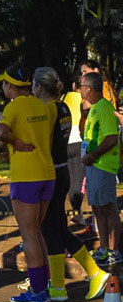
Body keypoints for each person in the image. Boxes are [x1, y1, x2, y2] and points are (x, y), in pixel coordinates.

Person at [32, 67, 110, 301]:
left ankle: (62, 285)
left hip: (52, 173)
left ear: (39, 87)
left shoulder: (47, 110)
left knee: (50, 229)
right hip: (62, 170)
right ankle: (84, 276)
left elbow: (42, 142)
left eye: (33, 85)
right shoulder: (63, 106)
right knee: (58, 229)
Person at [0, 66, 56, 302]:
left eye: (4, 84)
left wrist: (16, 142)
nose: (3, 88)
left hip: (26, 175)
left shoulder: (14, 106)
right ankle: (44, 286)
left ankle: (38, 291)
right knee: (37, 232)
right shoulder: (43, 106)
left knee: (29, 234)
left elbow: (0, 130)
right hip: (47, 172)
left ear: (10, 86)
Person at [79, 72, 121, 267]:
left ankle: (114, 250)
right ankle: (104, 248)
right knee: (97, 208)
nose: (79, 90)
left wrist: (93, 154)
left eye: (81, 86)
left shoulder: (104, 108)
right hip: (93, 165)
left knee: (108, 208)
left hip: (102, 165)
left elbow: (111, 138)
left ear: (89, 88)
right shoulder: (93, 109)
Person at [62, 73, 85, 226]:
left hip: (66, 140)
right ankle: (78, 212)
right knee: (79, 177)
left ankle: (77, 212)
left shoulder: (63, 98)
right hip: (78, 139)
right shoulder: (84, 100)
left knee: (71, 178)